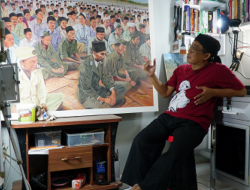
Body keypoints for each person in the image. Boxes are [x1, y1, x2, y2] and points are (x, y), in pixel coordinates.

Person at [121, 34, 247, 190]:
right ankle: (137, 184)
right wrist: (151, 75)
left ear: (206, 56)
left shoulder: (218, 70)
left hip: (193, 122)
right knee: (141, 140)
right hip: (169, 117)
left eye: (195, 49)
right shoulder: (181, 69)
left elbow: (241, 91)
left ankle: (142, 188)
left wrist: (213, 92)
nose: (189, 51)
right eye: (191, 46)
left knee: (174, 153)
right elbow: (165, 92)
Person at [77, 41, 126, 109]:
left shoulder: (100, 61)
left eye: (105, 54)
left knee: (122, 88)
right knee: (104, 106)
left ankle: (110, 102)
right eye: (102, 54)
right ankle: (108, 103)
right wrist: (104, 99)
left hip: (97, 89)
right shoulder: (85, 66)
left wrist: (113, 93)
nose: (104, 56)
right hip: (86, 95)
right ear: (94, 53)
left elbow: (105, 79)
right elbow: (86, 88)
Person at [15, 46, 64, 111]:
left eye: (36, 61)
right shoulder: (15, 75)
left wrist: (43, 103)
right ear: (21, 62)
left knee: (59, 96)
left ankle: (39, 112)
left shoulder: (38, 71)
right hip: (24, 106)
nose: (35, 64)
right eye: (32, 61)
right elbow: (15, 100)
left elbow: (41, 89)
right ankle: (38, 113)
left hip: (37, 102)